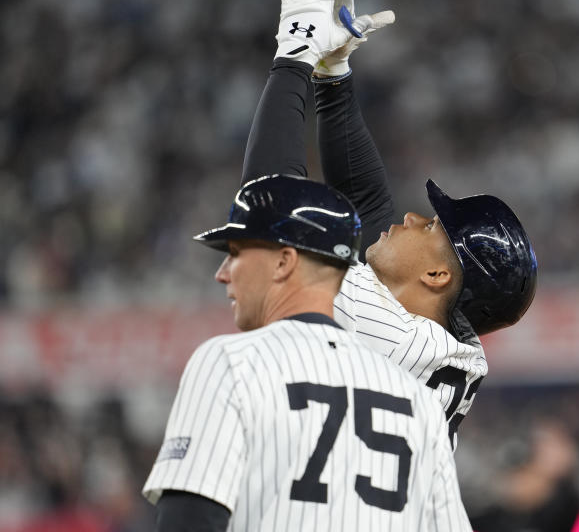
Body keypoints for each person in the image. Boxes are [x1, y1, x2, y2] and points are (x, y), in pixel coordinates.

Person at [241, 0, 538, 446]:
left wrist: (293, 57)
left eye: (433, 227)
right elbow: (368, 207)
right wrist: (333, 76)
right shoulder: (441, 342)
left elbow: (270, 202)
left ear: (438, 275)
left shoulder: (382, 330)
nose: (413, 217)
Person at [142, 173, 473, 532]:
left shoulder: (232, 361)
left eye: (236, 254)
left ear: (284, 262)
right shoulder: (419, 403)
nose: (222, 274)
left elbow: (189, 520)